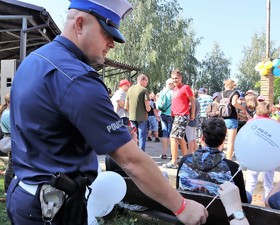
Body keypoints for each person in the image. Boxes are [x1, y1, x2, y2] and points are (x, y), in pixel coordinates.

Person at [7, 1, 208, 225]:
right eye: (106, 33)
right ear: (81, 24)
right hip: (53, 209)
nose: (112, 43)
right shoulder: (78, 78)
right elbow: (131, 160)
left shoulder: (34, 61)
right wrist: (181, 205)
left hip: (25, 194)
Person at [177, 117, 249, 203]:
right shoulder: (233, 168)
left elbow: (179, 190)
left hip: (189, 211)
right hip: (220, 214)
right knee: (248, 195)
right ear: (223, 140)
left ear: (202, 137)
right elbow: (243, 201)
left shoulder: (185, 161)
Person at [162, 69, 195, 169]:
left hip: (182, 115)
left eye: (176, 78)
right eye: (173, 78)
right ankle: (185, 161)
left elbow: (192, 101)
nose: (174, 80)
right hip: (176, 116)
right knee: (180, 139)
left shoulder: (186, 88)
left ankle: (173, 161)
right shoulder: (174, 90)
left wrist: (192, 114)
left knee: (173, 137)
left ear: (181, 78)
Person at [245, 102, 275, 202]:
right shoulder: (274, 124)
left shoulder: (250, 122)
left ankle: (247, 203)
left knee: (250, 182)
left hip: (253, 155)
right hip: (269, 156)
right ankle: (268, 205)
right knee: (268, 184)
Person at [218, 79, 249, 160]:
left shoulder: (220, 94)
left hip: (221, 119)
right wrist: (243, 109)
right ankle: (229, 160)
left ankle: (218, 159)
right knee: (230, 143)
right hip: (231, 119)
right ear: (233, 85)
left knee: (221, 141)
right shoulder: (235, 93)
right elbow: (234, 103)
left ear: (225, 85)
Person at [125, 74, 151, 151]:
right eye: (146, 81)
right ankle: (141, 154)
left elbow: (126, 106)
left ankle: (133, 152)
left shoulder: (130, 89)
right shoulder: (144, 90)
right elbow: (147, 107)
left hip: (132, 117)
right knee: (142, 136)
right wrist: (149, 109)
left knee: (133, 135)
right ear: (141, 80)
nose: (147, 83)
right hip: (142, 117)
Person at [157, 78, 174, 159]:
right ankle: (172, 154)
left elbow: (158, 104)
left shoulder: (162, 91)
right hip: (170, 115)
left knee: (165, 134)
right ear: (170, 84)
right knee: (172, 135)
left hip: (163, 114)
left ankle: (164, 153)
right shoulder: (172, 92)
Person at [0, 93, 14, 194]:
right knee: (12, 165)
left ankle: (9, 188)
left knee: (12, 164)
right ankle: (7, 189)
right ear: (9, 102)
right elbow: (13, 129)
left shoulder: (7, 112)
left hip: (11, 139)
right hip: (12, 140)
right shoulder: (8, 114)